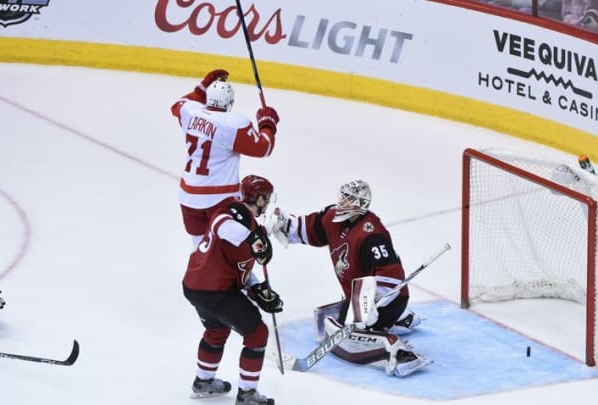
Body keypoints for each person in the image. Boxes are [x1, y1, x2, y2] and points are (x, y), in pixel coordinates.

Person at [267, 179, 431, 377]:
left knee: (347, 333)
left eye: (350, 199)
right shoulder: (332, 217)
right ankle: (402, 319)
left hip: (385, 300)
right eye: (343, 197)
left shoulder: (371, 234)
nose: (343, 203)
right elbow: (311, 229)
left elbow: (392, 274)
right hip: (357, 297)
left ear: (361, 204)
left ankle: (402, 354)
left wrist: (372, 301)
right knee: (335, 321)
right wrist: (284, 223)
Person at [182, 174, 282, 404]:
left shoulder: (252, 226)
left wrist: (258, 289)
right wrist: (251, 239)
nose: (267, 203)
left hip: (196, 287)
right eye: (265, 198)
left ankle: (204, 381)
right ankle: (247, 394)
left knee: (217, 331)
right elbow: (220, 225)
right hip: (214, 290)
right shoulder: (233, 210)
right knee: (257, 333)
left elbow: (241, 268)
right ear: (257, 199)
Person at [171, 69, 280, 250]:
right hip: (218, 199)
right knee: (230, 248)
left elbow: (179, 104)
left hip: (187, 197)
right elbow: (264, 148)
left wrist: (201, 88)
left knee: (199, 245)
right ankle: (237, 277)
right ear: (230, 102)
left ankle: (197, 275)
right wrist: (268, 124)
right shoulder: (232, 124)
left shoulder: (190, 112)